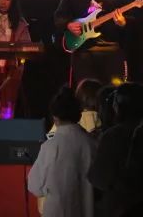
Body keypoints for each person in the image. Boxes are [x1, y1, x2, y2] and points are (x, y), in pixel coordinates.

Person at [54, 0, 134, 87]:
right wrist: (68, 24)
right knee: (86, 93)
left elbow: (133, 18)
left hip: (111, 50)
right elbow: (59, 16)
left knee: (114, 92)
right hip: (84, 51)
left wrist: (123, 22)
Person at [28, 86, 97, 217]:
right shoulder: (91, 143)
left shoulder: (50, 146)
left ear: (55, 117)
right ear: (79, 115)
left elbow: (35, 185)